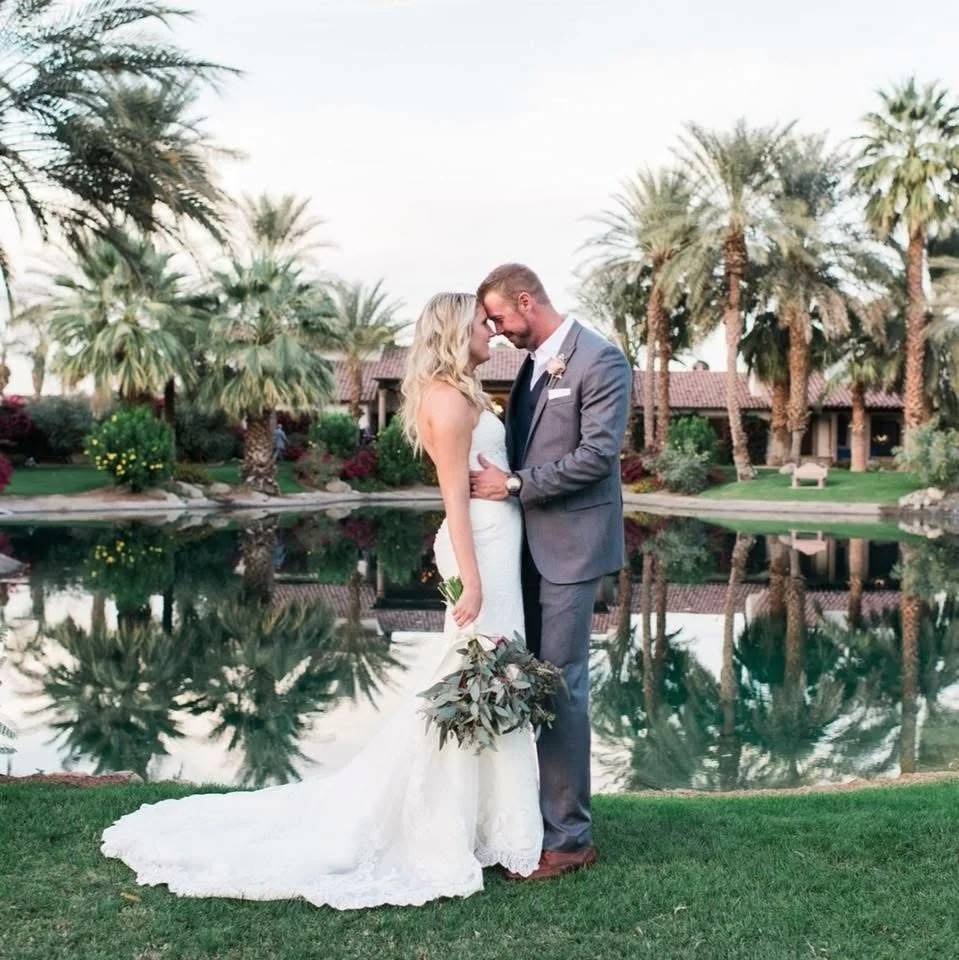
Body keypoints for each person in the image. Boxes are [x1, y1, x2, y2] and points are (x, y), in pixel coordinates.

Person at [100, 292, 542, 909]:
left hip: (494, 547)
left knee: (487, 677)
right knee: (474, 678)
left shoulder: (463, 390)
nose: (490, 333)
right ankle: (448, 825)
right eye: (479, 324)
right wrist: (471, 578)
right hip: (480, 555)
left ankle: (486, 823)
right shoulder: (447, 399)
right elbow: (453, 499)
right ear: (452, 331)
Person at [470, 263, 631, 880]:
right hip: (522, 550)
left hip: (570, 547)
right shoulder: (531, 367)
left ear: (527, 301)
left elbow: (596, 456)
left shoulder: (601, 360)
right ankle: (529, 818)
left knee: (561, 685)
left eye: (500, 318)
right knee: (528, 680)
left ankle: (570, 840)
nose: (497, 330)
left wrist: (512, 484)